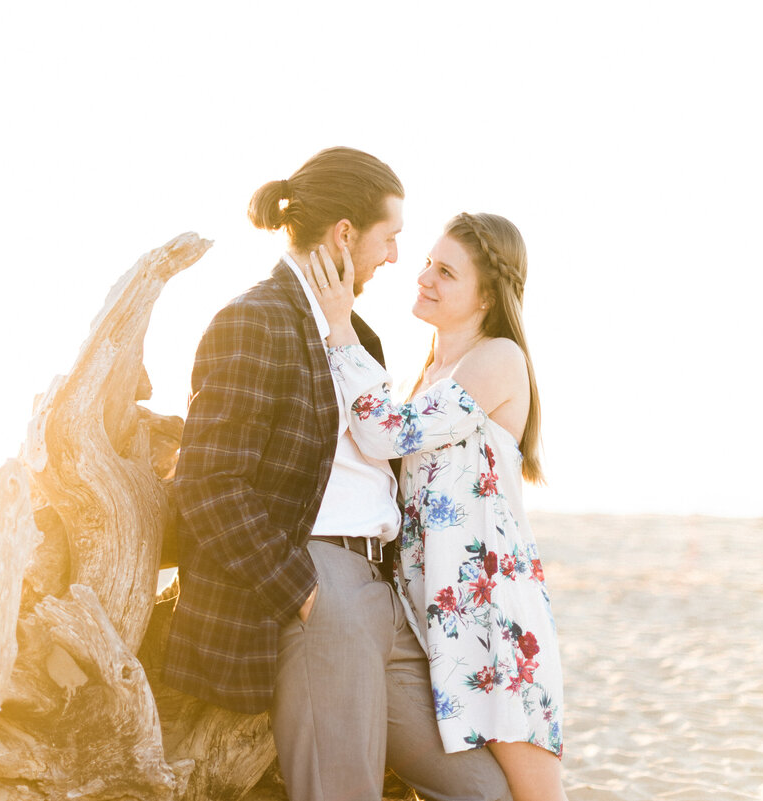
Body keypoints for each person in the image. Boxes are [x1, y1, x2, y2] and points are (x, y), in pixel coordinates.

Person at [164, 148, 512, 801]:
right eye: (389, 238)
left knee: (481, 790)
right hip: (321, 588)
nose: (394, 258)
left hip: (382, 595)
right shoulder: (254, 320)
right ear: (345, 233)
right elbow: (209, 481)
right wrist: (303, 593)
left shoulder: (364, 339)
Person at [302, 213, 566, 801]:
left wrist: (340, 324)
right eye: (428, 262)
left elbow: (385, 433)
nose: (423, 277)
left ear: (487, 297)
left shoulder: (498, 358)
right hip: (436, 620)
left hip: (493, 622)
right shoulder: (432, 373)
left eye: (446, 272)